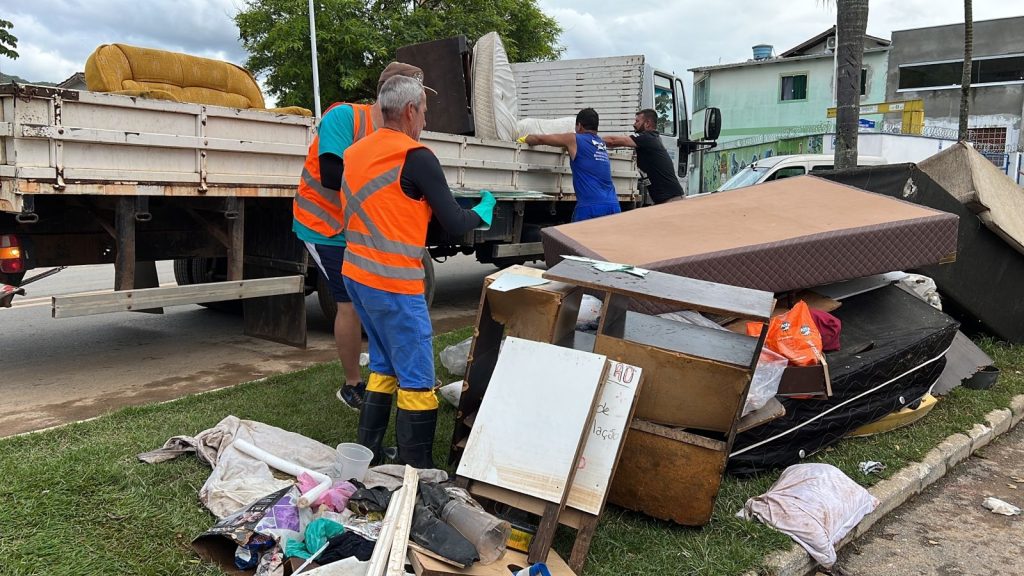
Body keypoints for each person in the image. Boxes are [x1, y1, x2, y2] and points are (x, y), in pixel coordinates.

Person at [341, 74, 495, 468]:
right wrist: (483, 210)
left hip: (357, 278)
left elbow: (389, 203)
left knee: (382, 364)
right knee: (418, 378)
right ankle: (417, 471)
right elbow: (456, 223)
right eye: (424, 112)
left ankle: (370, 453)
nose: (424, 120)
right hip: (394, 283)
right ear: (410, 110)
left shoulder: (357, 152)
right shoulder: (416, 156)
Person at [292, 62, 429, 411]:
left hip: (360, 229)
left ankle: (389, 373)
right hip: (325, 226)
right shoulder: (345, 118)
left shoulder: (403, 138)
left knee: (375, 300)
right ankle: (352, 385)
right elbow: (331, 174)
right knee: (350, 303)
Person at [520, 108, 622, 222]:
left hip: (590, 208)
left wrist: (523, 139)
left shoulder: (574, 139)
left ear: (579, 126)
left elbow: (539, 138)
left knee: (576, 240)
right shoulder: (601, 143)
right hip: (613, 206)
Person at [602, 108, 685, 204]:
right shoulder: (652, 138)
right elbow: (615, 144)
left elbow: (613, 141)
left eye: (637, 121)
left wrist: (592, 140)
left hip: (672, 200)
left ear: (647, 123)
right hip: (668, 199)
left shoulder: (647, 138)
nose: (634, 124)